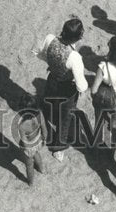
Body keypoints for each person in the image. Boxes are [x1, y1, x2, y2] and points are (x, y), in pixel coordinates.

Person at [38, 16, 89, 161]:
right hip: (66, 89)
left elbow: (41, 55)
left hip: (52, 79)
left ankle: (45, 127)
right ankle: (58, 148)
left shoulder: (49, 39)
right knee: (65, 118)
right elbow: (81, 84)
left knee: (49, 104)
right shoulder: (75, 57)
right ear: (77, 38)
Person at [15, 93, 49, 186]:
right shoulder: (40, 115)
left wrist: (27, 150)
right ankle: (41, 169)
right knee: (37, 154)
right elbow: (44, 129)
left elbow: (25, 141)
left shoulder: (22, 126)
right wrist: (45, 138)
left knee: (29, 165)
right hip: (38, 141)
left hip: (29, 146)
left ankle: (31, 181)